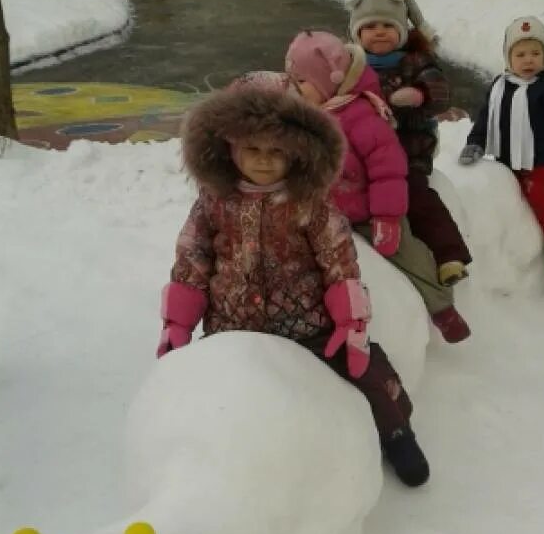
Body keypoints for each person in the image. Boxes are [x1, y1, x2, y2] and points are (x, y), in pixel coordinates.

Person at [156, 82, 430, 487]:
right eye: (253, 150)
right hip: (234, 329)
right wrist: (177, 324)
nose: (264, 162)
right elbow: (192, 258)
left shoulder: (311, 203)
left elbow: (338, 259)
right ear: (230, 148)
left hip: (308, 326)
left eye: (276, 152)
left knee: (367, 371)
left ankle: (395, 432)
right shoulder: (214, 202)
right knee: (202, 393)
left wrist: (350, 327)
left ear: (296, 152)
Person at [284, 28, 471, 343]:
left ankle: (442, 308)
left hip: (366, 211)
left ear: (328, 80)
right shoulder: (306, 116)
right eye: (292, 80)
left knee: (406, 254)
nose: (294, 88)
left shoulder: (361, 117)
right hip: (323, 212)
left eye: (302, 82)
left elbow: (389, 170)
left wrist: (386, 218)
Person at [347, 0, 472, 287]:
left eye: (388, 26)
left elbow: (440, 91)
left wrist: (421, 95)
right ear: (357, 33)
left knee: (415, 195)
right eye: (371, 26)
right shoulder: (351, 65)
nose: (380, 32)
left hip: (409, 148)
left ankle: (449, 254)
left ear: (402, 31)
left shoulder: (416, 61)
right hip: (363, 153)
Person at [458, 16, 544, 286]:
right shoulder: (500, 86)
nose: (529, 60)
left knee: (538, 192)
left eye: (536, 53)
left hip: (541, 158)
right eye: (521, 54)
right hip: (507, 158)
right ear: (508, 58)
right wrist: (476, 142)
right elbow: (485, 118)